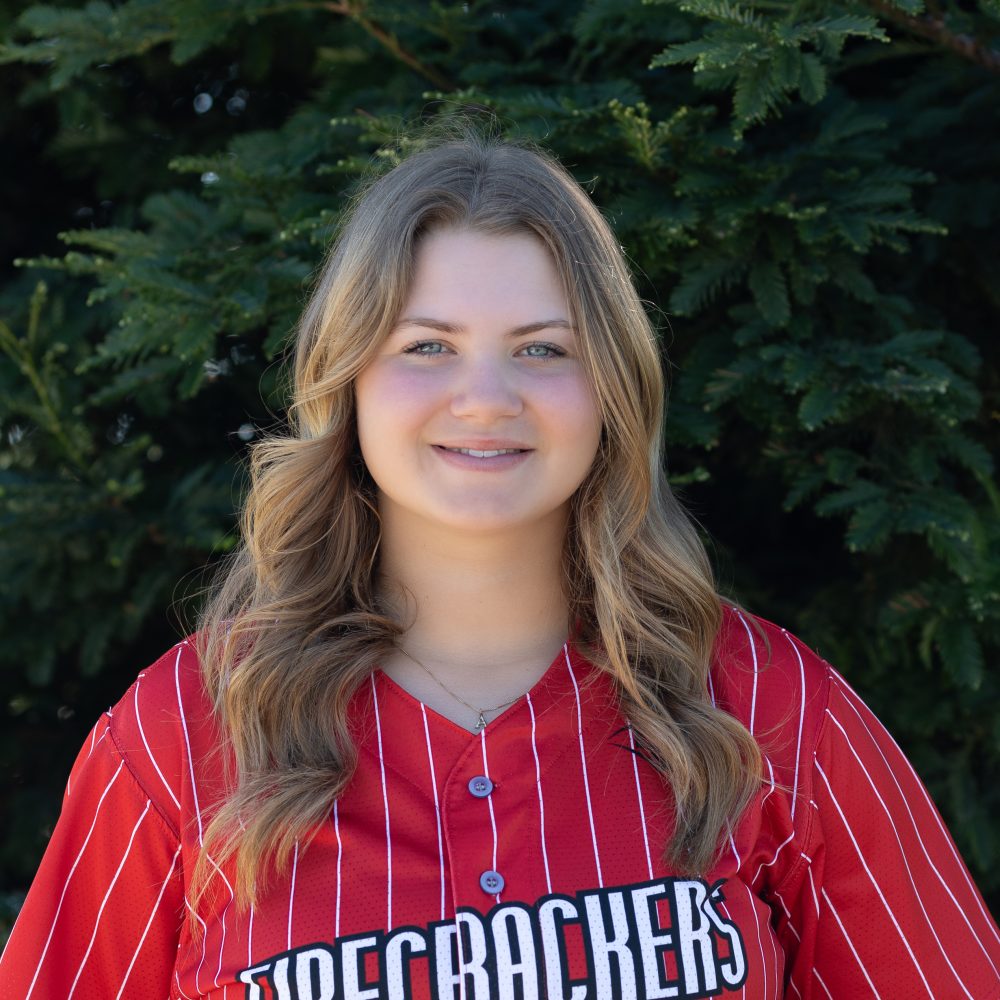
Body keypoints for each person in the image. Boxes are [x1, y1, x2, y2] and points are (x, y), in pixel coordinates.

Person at [1, 130, 998, 1000]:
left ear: (611, 388)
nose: (484, 397)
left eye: (542, 349)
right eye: (427, 346)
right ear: (348, 380)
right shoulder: (182, 733)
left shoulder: (767, 709)